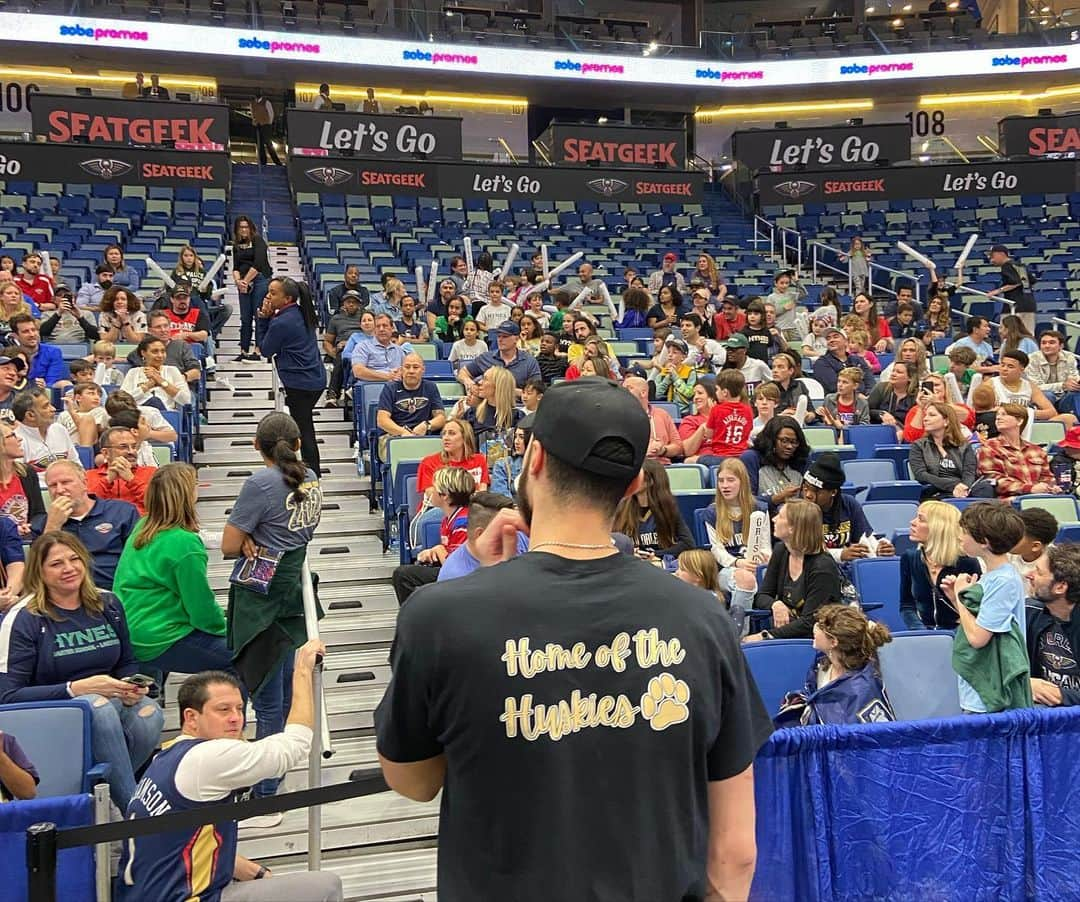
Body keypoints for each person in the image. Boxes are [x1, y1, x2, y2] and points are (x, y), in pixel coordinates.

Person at [376, 377, 772, 900]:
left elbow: (414, 781)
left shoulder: (439, 616)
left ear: (533, 458)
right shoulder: (703, 617)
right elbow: (735, 851)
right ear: (633, 485)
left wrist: (478, 578)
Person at [114, 646, 344, 902]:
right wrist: (302, 671)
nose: (236, 718)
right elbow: (295, 746)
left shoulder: (165, 757)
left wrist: (258, 874)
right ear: (191, 717)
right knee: (326, 886)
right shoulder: (207, 758)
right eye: (223, 710)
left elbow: (185, 846)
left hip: (140, 894)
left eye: (239, 708)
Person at [0, 532, 164, 808]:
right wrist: (76, 689)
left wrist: (129, 686)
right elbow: (8, 696)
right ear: (39, 571)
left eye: (74, 559)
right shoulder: (24, 618)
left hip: (107, 698)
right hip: (50, 708)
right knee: (96, 706)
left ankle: (95, 795)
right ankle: (136, 812)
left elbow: (127, 662)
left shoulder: (108, 603)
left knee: (150, 714)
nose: (69, 568)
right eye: (56, 563)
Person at [221, 413, 322, 809]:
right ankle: (269, 783)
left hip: (261, 594)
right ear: (297, 443)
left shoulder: (260, 483)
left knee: (266, 696)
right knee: (276, 694)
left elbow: (230, 545)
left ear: (255, 446)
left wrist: (249, 538)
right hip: (291, 585)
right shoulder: (310, 474)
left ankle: (263, 793)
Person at [113, 463, 234, 686]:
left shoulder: (142, 526)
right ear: (188, 494)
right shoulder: (185, 544)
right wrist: (228, 629)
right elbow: (201, 610)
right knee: (245, 656)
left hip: (132, 631)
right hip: (159, 637)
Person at [943, 502, 1031, 714]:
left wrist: (959, 597)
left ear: (984, 541)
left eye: (964, 533)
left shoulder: (1004, 581)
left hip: (990, 700)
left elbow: (978, 638)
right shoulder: (993, 576)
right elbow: (979, 621)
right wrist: (957, 600)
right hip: (976, 695)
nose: (960, 537)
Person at [776, 604, 894, 725]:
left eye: (821, 625)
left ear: (833, 642)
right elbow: (814, 696)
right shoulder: (821, 664)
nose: (815, 626)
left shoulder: (861, 689)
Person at [30, 460, 139, 590]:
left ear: (84, 483)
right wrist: (53, 526)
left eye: (66, 482)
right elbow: (36, 573)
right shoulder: (42, 524)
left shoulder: (122, 511)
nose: (59, 490)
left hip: (117, 590)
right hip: (67, 595)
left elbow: (139, 560)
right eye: (53, 485)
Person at [745, 499, 843, 642]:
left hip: (816, 641)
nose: (774, 519)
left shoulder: (822, 568)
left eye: (780, 516)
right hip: (787, 635)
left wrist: (765, 636)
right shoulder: (781, 550)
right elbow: (762, 595)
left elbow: (811, 622)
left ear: (793, 528)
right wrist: (776, 604)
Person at [260, 278, 327, 477]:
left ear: (287, 298)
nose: (268, 297)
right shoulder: (301, 312)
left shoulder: (282, 321)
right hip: (315, 379)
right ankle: (306, 468)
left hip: (300, 383)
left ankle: (311, 472)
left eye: (273, 293)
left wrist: (263, 319)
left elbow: (265, 349)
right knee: (304, 425)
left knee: (304, 430)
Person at [703, 458, 771, 626]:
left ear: (743, 482)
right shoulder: (711, 512)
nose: (725, 485)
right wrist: (738, 562)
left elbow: (766, 546)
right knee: (744, 578)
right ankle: (738, 633)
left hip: (757, 566)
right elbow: (717, 551)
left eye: (731, 480)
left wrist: (759, 560)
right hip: (726, 570)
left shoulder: (760, 508)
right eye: (721, 481)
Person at [392, 467, 474, 604]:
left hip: (462, 578)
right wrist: (433, 552)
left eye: (434, 488)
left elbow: (458, 569)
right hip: (448, 569)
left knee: (402, 575)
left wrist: (439, 550)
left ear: (445, 496)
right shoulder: (448, 519)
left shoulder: (463, 522)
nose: (430, 491)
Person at [900, 501, 982, 630]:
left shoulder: (967, 562)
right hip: (924, 636)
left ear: (938, 528)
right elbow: (907, 606)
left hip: (960, 636)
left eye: (921, 519)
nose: (912, 522)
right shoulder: (909, 558)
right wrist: (921, 632)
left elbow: (976, 610)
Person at [801, 452, 895, 562]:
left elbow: (865, 537)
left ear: (833, 492)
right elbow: (802, 549)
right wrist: (840, 554)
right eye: (806, 488)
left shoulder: (849, 504)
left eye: (816, 491)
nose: (808, 495)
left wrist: (879, 547)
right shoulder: (797, 509)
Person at [1026, 545, 1080, 707]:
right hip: (1043, 714)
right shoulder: (1030, 612)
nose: (1029, 575)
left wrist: (1062, 695)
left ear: (1060, 587)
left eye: (1039, 572)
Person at [612, 458, 695, 559]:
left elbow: (688, 544)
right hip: (631, 564)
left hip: (660, 564)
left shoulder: (669, 508)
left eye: (637, 476)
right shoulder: (621, 507)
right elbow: (612, 541)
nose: (631, 479)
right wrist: (630, 553)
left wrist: (655, 555)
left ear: (651, 480)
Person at [977, 403, 1060, 498]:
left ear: (1020, 421)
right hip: (1008, 502)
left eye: (1004, 414)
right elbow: (993, 480)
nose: (998, 418)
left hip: (1039, 497)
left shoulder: (1037, 451)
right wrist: (1029, 489)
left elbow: (1047, 477)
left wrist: (1051, 487)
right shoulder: (989, 447)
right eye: (997, 415)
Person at [375, 353, 446, 458]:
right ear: (401, 370)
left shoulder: (431, 387)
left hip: (423, 436)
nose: (411, 371)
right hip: (395, 437)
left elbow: (441, 418)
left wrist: (427, 425)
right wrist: (402, 432)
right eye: (407, 367)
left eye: (416, 367)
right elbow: (382, 420)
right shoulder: (390, 388)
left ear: (423, 370)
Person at [983, 349, 1076, 426]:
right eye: (1002, 365)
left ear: (1021, 369)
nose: (1004, 369)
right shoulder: (990, 384)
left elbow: (1051, 412)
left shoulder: (1029, 386)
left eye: (1010, 366)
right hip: (1001, 425)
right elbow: (980, 411)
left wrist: (1026, 413)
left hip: (1026, 424)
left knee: (1069, 418)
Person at [682, 369, 754, 465]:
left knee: (688, 461)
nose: (695, 398)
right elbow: (748, 430)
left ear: (724, 392)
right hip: (740, 457)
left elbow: (709, 434)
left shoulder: (717, 410)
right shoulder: (748, 410)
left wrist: (708, 425)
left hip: (720, 456)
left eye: (700, 393)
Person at [740, 415, 810, 512]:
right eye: (784, 441)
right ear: (771, 440)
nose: (790, 446)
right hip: (760, 520)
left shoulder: (801, 460)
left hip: (797, 520)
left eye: (794, 442)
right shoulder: (751, 458)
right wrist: (776, 499)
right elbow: (744, 500)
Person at [909, 402, 978, 499]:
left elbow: (969, 472)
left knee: (986, 488)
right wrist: (953, 485)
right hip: (935, 491)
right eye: (925, 415)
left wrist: (964, 487)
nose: (925, 419)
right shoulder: (919, 446)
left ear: (946, 421)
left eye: (932, 415)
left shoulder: (964, 446)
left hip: (962, 491)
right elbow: (921, 475)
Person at [84, 425, 154, 514]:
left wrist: (131, 480)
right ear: (106, 453)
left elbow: (157, 504)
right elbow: (85, 506)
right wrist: (108, 480)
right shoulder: (89, 476)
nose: (131, 452)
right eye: (123, 447)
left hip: (141, 525)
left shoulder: (151, 473)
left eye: (134, 446)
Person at [232, 216, 274, 361]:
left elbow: (258, 263)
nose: (243, 230)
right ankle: (243, 350)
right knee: (245, 317)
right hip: (244, 282)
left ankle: (258, 350)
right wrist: (238, 282)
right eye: (240, 227)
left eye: (246, 227)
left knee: (259, 315)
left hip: (260, 279)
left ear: (250, 228)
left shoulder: (258, 241)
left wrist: (244, 281)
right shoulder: (236, 245)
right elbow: (235, 266)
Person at [459, 321, 541, 392]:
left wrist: (505, 391)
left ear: (516, 339)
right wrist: (469, 382)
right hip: (489, 405)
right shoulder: (486, 358)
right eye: (499, 336)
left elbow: (535, 390)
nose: (500, 340)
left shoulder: (529, 361)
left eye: (505, 336)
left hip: (517, 405)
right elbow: (463, 372)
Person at [12, 387, 78, 471]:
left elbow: (76, 463)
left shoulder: (59, 429)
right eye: (46, 406)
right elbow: (20, 478)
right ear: (30, 415)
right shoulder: (17, 441)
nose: (53, 409)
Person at [120, 336, 191, 413]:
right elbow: (122, 401)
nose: (160, 355)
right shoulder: (133, 372)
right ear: (143, 353)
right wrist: (147, 386)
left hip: (165, 416)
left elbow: (186, 400)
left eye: (163, 351)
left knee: (155, 402)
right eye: (155, 351)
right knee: (152, 402)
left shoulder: (172, 371)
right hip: (138, 414)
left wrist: (160, 380)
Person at [0, 418, 45, 538]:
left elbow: (39, 513)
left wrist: (30, 527)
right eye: (13, 435)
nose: (20, 439)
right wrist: (11, 530)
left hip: (26, 538)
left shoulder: (27, 473)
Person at [623, 375, 682, 465]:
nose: (623, 392)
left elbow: (678, 447)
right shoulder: (619, 417)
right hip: (633, 467)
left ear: (643, 393)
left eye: (629, 388)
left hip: (662, 466)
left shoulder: (662, 414)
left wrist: (662, 450)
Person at [322, 289, 365, 405]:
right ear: (343, 303)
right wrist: (333, 352)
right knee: (341, 357)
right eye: (348, 301)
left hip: (363, 347)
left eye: (354, 302)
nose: (351, 304)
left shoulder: (365, 318)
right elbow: (327, 342)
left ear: (359, 304)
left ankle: (352, 390)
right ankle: (332, 393)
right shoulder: (336, 319)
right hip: (343, 350)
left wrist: (352, 342)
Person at [136, 310, 202, 385]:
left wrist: (177, 379)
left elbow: (196, 373)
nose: (163, 330)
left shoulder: (182, 346)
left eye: (166, 326)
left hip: (179, 387)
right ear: (149, 330)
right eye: (158, 327)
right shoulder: (144, 349)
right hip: (151, 388)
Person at [1027, 330, 1080, 419]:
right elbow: (1036, 387)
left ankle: (1075, 423)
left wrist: (1074, 384)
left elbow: (1073, 377)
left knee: (1075, 394)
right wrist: (1062, 385)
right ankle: (1047, 422)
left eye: (1052, 343)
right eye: (1043, 343)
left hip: (1063, 396)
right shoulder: (1032, 359)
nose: (1047, 346)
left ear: (1061, 346)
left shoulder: (1069, 357)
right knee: (1048, 395)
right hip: (1041, 397)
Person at [986, 245, 1036, 335]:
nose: (991, 259)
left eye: (992, 255)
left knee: (1007, 334)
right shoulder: (1020, 265)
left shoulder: (1007, 266)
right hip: (1029, 304)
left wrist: (996, 291)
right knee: (1028, 334)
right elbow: (1032, 281)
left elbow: (1015, 282)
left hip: (1014, 306)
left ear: (1001, 254)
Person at [11, 314, 68, 388]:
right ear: (15, 336)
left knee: (65, 384)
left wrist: (45, 385)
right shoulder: (11, 354)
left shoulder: (53, 352)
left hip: (45, 392)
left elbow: (53, 380)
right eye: (25, 332)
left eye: (34, 330)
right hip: (18, 392)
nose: (32, 334)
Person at [813, 327, 873, 395]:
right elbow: (834, 387)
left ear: (846, 341)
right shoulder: (821, 363)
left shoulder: (858, 360)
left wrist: (869, 396)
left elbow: (870, 382)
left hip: (865, 400)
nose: (831, 340)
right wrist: (858, 395)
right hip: (837, 401)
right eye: (828, 338)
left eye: (835, 337)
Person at [352, 313, 409, 382]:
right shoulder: (363, 347)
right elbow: (358, 372)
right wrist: (388, 376)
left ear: (392, 328)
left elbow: (406, 369)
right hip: (372, 388)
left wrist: (401, 372)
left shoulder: (399, 350)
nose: (381, 329)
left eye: (385, 326)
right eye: (378, 326)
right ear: (374, 330)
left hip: (396, 388)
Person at [867, 360, 917, 434]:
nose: (893, 374)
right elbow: (867, 410)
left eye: (899, 372)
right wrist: (881, 414)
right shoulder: (881, 388)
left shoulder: (916, 395)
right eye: (893, 371)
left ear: (910, 378)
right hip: (879, 431)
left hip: (906, 434)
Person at [819, 366, 870, 436]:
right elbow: (824, 422)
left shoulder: (862, 403)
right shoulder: (829, 399)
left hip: (854, 437)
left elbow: (864, 427)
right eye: (839, 381)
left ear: (855, 386)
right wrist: (824, 419)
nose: (840, 385)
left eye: (845, 382)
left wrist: (843, 427)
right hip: (833, 436)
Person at [768, 350, 814, 423]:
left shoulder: (800, 385)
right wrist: (781, 416)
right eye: (773, 367)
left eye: (780, 367)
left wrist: (807, 416)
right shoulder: (768, 388)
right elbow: (761, 415)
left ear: (791, 371)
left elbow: (811, 412)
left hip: (798, 424)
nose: (775, 370)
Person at [251, 89, 282, 166]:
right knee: (260, 144)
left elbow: (271, 113)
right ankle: (263, 162)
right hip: (258, 125)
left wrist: (269, 123)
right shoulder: (252, 103)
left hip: (266, 125)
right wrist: (254, 121)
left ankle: (277, 162)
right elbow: (252, 113)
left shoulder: (266, 102)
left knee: (268, 143)